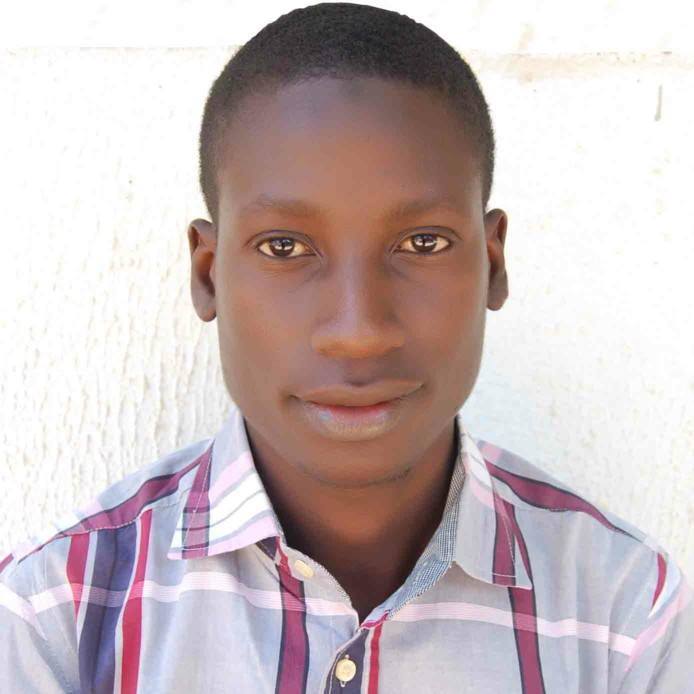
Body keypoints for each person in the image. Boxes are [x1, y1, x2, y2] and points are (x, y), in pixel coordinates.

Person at [1, 3, 692, 692]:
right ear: (208, 275)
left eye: (423, 242)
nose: (358, 332)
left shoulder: (627, 615)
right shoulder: (54, 617)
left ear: (492, 263)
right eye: (284, 247)